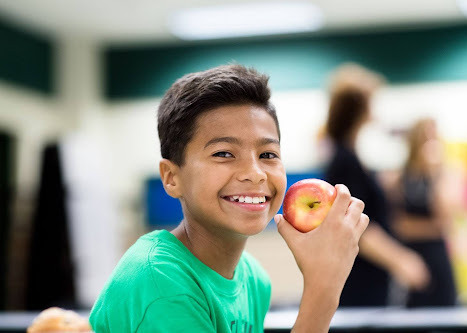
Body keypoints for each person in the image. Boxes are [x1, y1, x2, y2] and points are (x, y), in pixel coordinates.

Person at [89, 64, 369, 332]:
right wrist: (324, 288)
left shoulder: (253, 279)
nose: (255, 173)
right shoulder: (158, 281)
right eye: (223, 153)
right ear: (171, 177)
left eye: (268, 155)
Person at [324, 63, 430, 307]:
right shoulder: (344, 161)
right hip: (360, 281)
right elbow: (358, 225)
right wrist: (403, 260)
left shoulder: (350, 157)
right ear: (359, 107)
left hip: (370, 278)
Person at [390, 118, 458, 307]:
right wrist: (429, 227)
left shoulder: (446, 175)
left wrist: (432, 174)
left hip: (438, 259)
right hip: (411, 259)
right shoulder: (398, 178)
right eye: (424, 138)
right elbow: (397, 226)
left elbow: (445, 223)